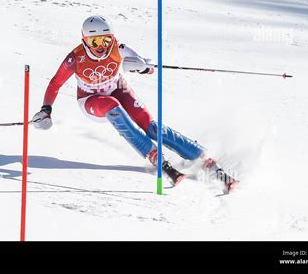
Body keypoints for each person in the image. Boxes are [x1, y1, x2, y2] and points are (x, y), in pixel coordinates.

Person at [31, 15, 237, 191]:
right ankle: (155, 156)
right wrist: (46, 109)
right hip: (91, 101)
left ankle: (203, 158)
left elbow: (144, 64)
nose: (101, 47)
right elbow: (55, 83)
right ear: (85, 41)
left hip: (118, 88)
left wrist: (143, 67)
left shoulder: (118, 48)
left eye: (105, 40)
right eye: (95, 42)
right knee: (112, 105)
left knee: (153, 128)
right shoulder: (75, 59)